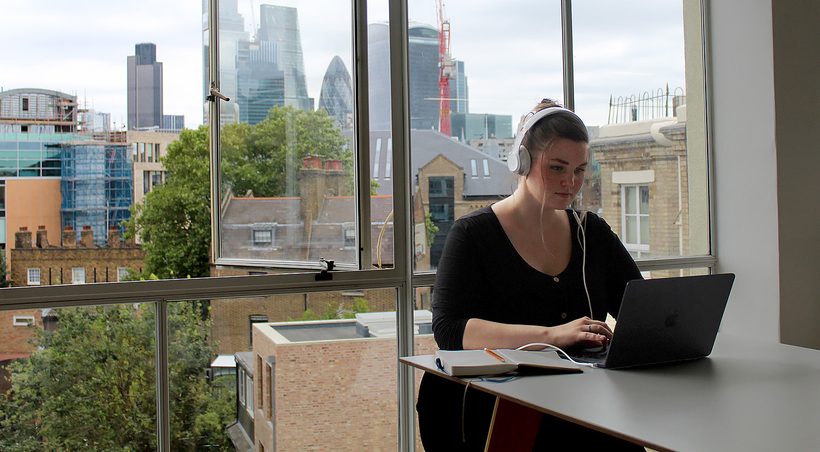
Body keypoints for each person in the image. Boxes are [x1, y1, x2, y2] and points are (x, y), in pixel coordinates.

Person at [416, 99, 645, 451]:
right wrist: (553, 335)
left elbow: (639, 308)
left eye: (580, 170)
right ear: (521, 162)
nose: (571, 182)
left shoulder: (591, 232)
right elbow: (449, 330)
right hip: (492, 407)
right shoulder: (473, 234)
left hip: (579, 402)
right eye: (557, 168)